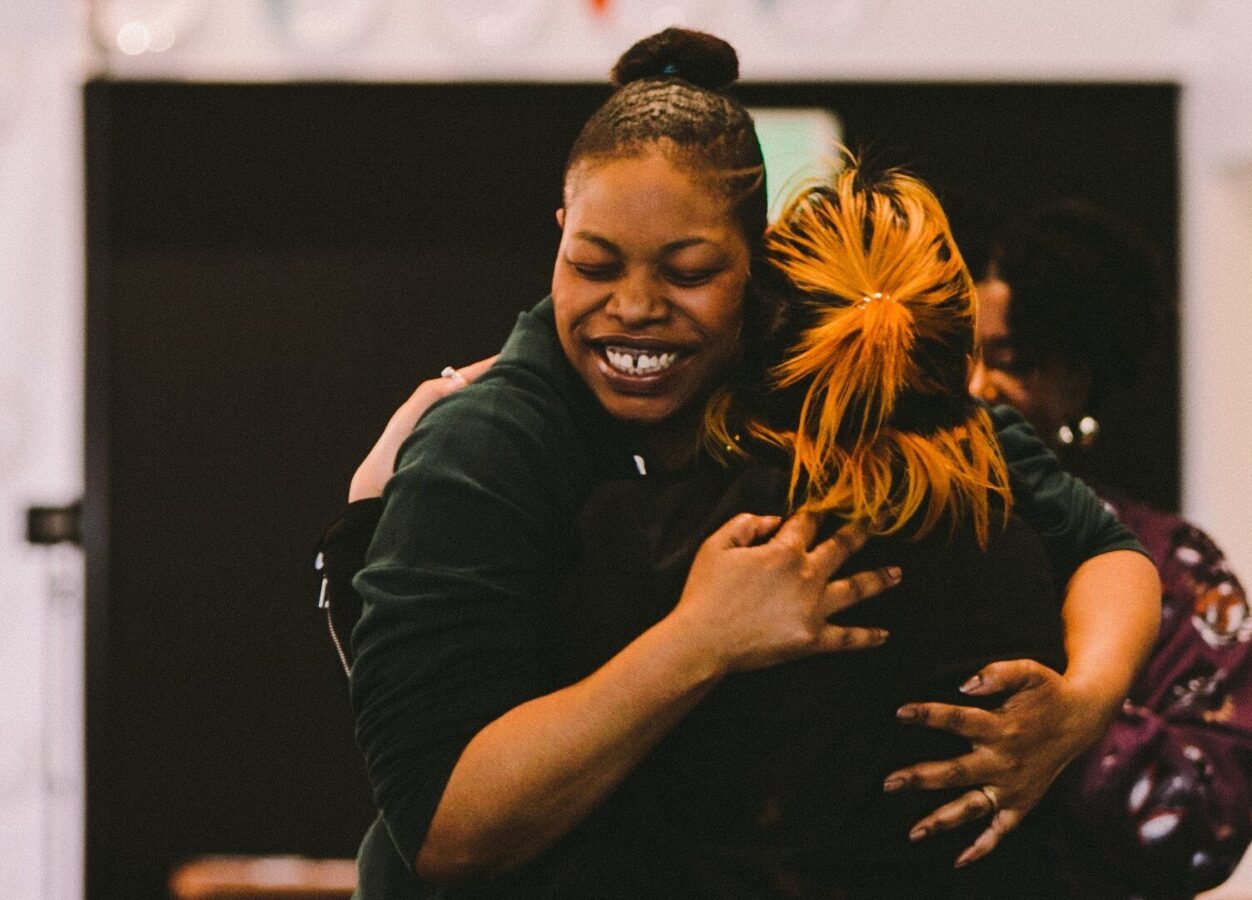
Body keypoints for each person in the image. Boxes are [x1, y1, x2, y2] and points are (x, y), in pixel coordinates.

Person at [338, 29, 1159, 897]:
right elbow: (442, 829)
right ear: (560, 238)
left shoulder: (823, 397)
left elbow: (1106, 547)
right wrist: (702, 639)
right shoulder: (491, 444)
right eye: (593, 264)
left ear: (757, 267)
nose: (636, 307)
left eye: (689, 272)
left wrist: (1080, 707)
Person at [962, 200, 1252, 896]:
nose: (976, 389)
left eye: (1010, 361)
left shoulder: (1173, 566)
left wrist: (1071, 722)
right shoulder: (924, 535)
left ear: (1079, 377)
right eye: (964, 357)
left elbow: (1226, 802)